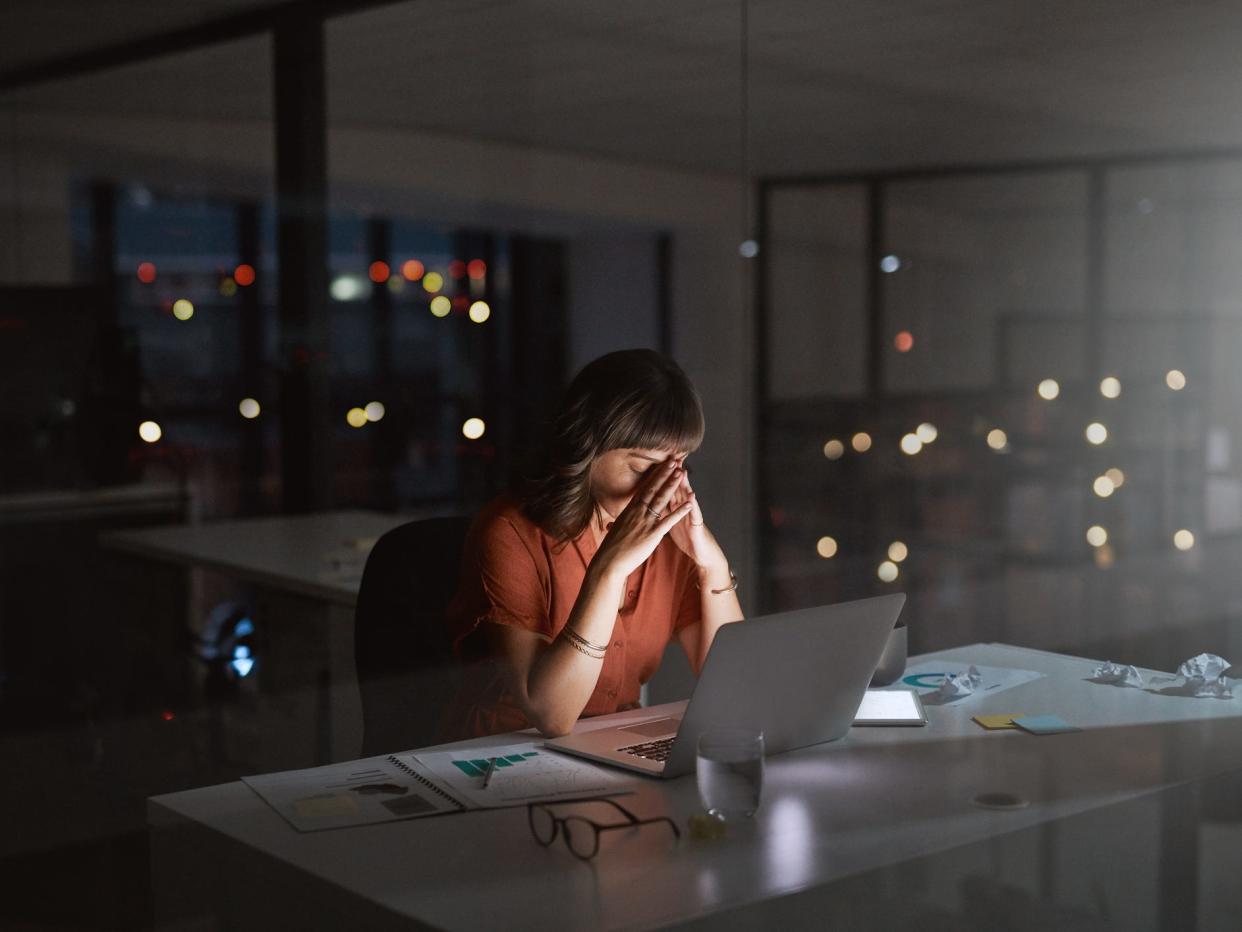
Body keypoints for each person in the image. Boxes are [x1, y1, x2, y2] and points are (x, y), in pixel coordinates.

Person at [441, 349, 744, 739]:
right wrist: (611, 568)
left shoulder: (670, 541)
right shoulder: (509, 532)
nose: (662, 486)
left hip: (610, 745)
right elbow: (551, 715)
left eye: (677, 466)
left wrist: (712, 564)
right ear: (587, 445)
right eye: (643, 467)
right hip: (501, 755)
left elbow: (733, 685)